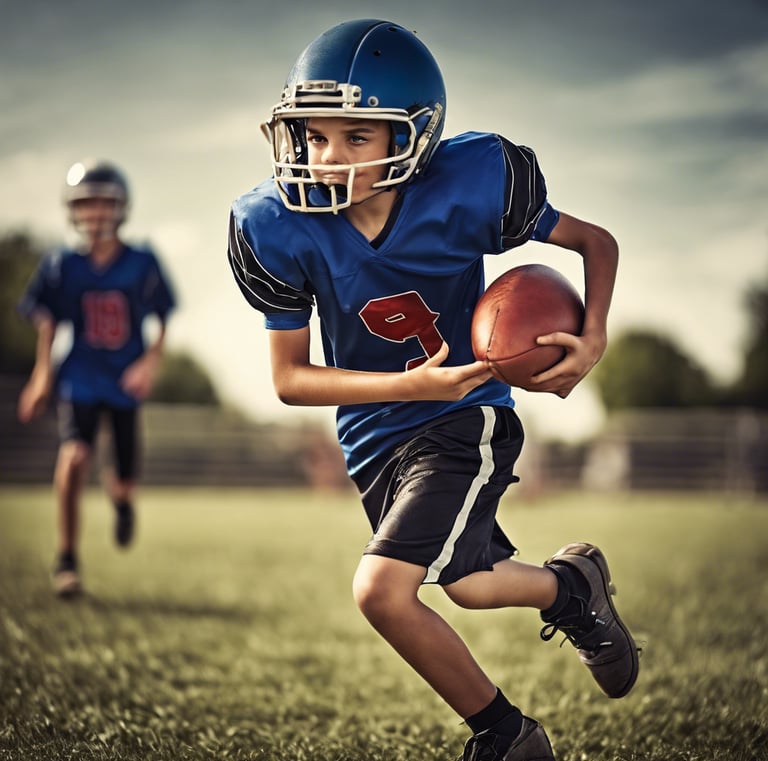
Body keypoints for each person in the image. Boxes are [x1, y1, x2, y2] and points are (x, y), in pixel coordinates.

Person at [227, 19, 638, 761]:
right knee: (471, 582)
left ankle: (506, 737)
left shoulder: (470, 185)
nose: (327, 158)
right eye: (315, 136)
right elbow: (289, 379)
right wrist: (404, 381)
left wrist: (595, 333)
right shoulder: (275, 224)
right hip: (373, 436)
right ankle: (571, 589)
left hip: (464, 413)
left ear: (410, 137)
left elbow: (595, 243)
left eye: (357, 137)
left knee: (381, 589)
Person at [17, 160, 176, 598]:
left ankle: (122, 503)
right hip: (81, 376)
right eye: (86, 204)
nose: (95, 213)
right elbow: (47, 321)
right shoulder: (62, 263)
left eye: (104, 203)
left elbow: (163, 317)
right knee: (73, 455)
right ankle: (66, 558)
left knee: (122, 476)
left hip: (124, 379)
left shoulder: (141, 260)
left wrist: (148, 363)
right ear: (73, 210)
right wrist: (41, 374)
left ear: (121, 208)